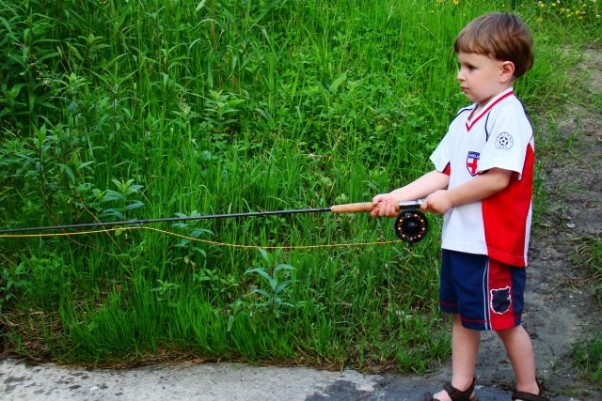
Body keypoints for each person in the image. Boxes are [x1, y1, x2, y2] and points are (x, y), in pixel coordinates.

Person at [371, 12, 549, 401]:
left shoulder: (508, 117)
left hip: (494, 245)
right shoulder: (465, 119)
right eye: (459, 66)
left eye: (470, 67)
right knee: (462, 316)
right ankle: (462, 386)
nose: (460, 75)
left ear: (505, 71)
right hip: (461, 243)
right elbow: (444, 173)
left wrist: (449, 199)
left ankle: (528, 390)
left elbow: (497, 178)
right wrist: (396, 197)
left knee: (504, 322)